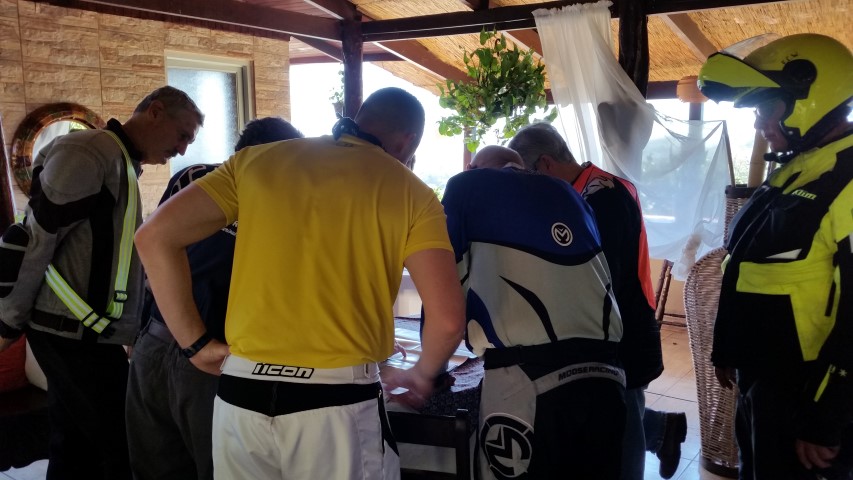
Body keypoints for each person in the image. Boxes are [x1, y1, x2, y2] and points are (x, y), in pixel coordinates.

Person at [134, 87, 466, 480]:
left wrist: (196, 345)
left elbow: (153, 238)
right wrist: (422, 375)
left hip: (240, 397)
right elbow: (448, 321)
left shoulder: (256, 161)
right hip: (336, 401)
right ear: (407, 141)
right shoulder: (412, 192)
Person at [0, 85, 203, 480]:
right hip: (70, 335)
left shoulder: (119, 161)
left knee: (74, 446)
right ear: (154, 111)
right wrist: (7, 321)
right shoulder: (89, 152)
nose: (181, 150)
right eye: (182, 135)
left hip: (83, 333)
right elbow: (37, 240)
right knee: (121, 446)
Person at [698, 33, 853, 479]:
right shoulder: (798, 167)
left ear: (809, 97)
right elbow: (746, 267)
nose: (759, 124)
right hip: (763, 380)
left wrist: (825, 417)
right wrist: (728, 348)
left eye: (766, 109)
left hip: (806, 392)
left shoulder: (846, 176)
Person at [125, 117, 303, 480]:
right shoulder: (280, 201)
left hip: (153, 343)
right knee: (220, 470)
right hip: (210, 356)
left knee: (155, 469)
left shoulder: (193, 178)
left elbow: (151, 257)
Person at [508, 123, 687, 479]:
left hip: (622, 331)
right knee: (605, 415)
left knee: (622, 430)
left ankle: (657, 435)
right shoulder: (582, 190)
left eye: (528, 175)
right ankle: (662, 430)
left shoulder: (602, 197)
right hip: (603, 328)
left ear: (544, 163)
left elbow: (600, 275)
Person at [444, 145, 626, 479]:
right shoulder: (572, 195)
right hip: (607, 374)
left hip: (528, 379)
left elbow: (444, 283)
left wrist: (432, 371)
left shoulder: (466, 185)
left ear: (474, 168)